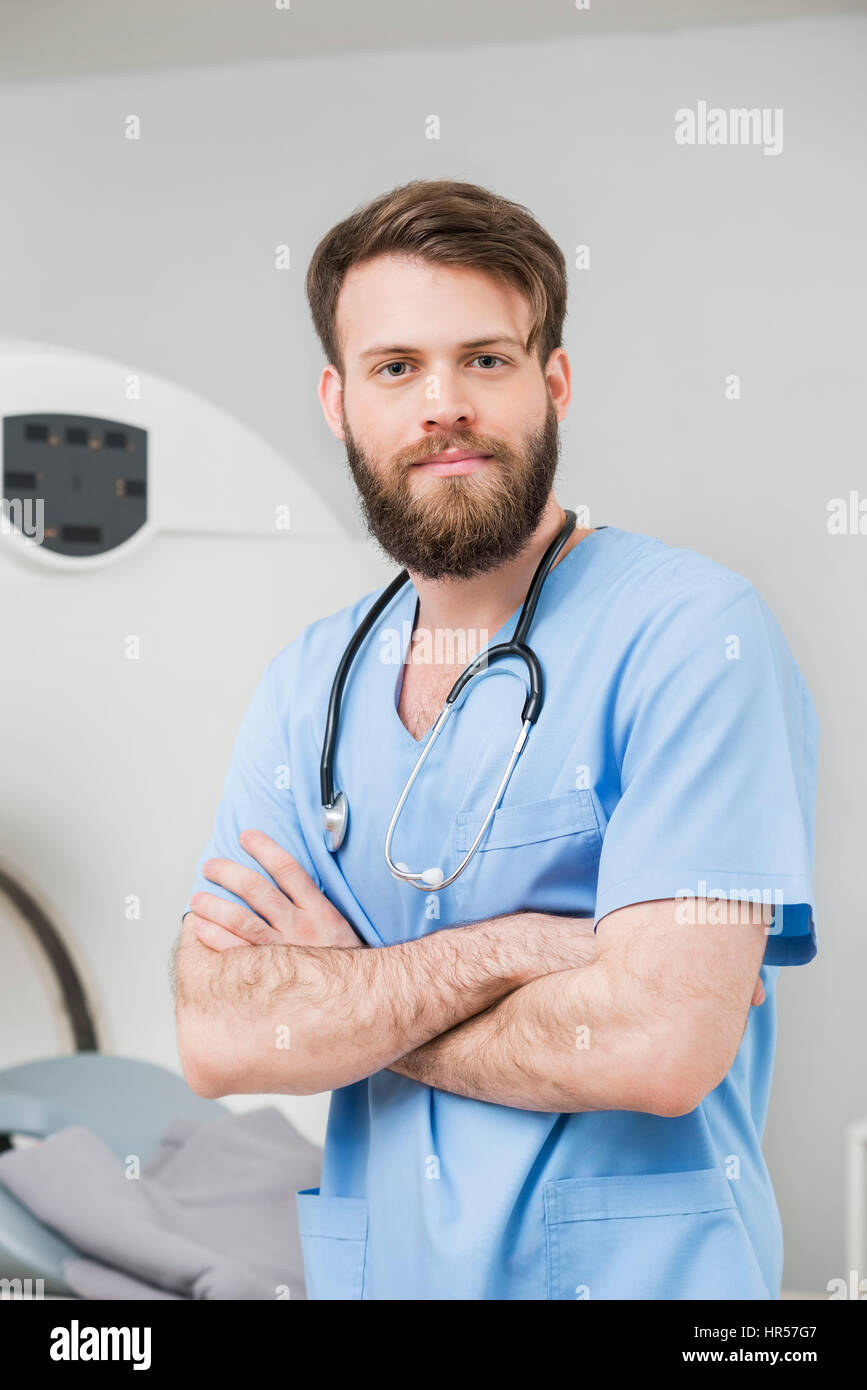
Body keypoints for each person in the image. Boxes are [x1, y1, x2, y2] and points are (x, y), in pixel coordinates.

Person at [174, 179, 819, 1301]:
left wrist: (356, 1001)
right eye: (396, 368)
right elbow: (220, 1036)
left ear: (552, 382)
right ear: (337, 401)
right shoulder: (306, 688)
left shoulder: (693, 636)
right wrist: (523, 945)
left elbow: (660, 1048)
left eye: (486, 359)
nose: (443, 406)